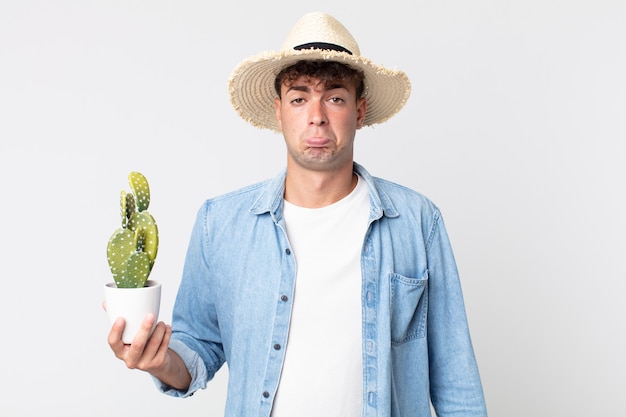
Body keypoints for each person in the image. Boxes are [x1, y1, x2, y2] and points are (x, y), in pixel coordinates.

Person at [107, 11, 488, 417]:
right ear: (279, 111)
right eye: (300, 97)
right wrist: (158, 360)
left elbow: (456, 382)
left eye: (335, 97)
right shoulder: (221, 223)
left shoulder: (416, 222)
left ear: (359, 111)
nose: (317, 115)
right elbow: (198, 346)